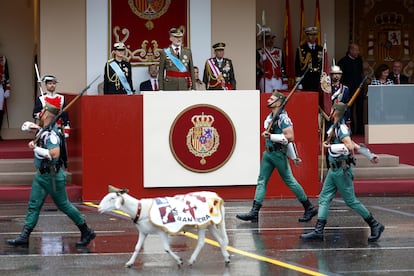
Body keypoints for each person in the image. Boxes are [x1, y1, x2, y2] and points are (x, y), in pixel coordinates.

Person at [6, 97, 96, 247]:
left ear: (48, 115)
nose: (39, 113)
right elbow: (26, 127)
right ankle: (24, 236)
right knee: (34, 204)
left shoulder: (52, 135)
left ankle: (86, 230)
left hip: (52, 176)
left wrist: (35, 148)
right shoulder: (44, 130)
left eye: (42, 112)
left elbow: (54, 154)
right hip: (41, 175)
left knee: (64, 205)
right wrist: (33, 127)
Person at [300, 102, 384, 242]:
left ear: (335, 112)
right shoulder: (336, 127)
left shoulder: (342, 128)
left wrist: (330, 145)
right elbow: (354, 144)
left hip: (341, 170)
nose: (330, 111)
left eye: (332, 109)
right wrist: (369, 155)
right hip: (334, 170)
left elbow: (349, 146)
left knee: (351, 201)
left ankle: (375, 224)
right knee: (324, 198)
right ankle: (318, 230)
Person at [236, 90, 317, 223]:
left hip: (278, 153)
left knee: (290, 181)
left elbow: (290, 136)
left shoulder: (283, 118)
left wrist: (274, 138)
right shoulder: (270, 116)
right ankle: (254, 212)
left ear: (278, 102)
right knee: (262, 180)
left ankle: (309, 207)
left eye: (271, 98)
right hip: (268, 152)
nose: (268, 100)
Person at [33, 75, 70, 143]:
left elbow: (65, 115)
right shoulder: (41, 99)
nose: (52, 85)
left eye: (54, 83)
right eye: (50, 84)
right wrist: (42, 114)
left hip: (58, 127)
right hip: (45, 127)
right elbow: (35, 114)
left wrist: (66, 127)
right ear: (46, 85)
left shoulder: (61, 98)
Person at [338, 43, 364, 135]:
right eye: (356, 50)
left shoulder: (359, 60)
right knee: (349, 110)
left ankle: (360, 130)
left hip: (359, 89)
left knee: (360, 110)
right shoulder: (343, 61)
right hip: (348, 90)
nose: (358, 52)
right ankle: (350, 129)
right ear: (351, 50)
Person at [295, 26, 323, 91]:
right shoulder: (301, 49)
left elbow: (322, 64)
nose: (313, 37)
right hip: (306, 79)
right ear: (307, 36)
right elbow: (298, 66)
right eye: (311, 35)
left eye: (315, 34)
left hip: (317, 79)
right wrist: (299, 82)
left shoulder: (320, 49)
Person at [0, 56, 11, 140]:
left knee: (0, 112)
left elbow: (6, 75)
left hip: (1, 87)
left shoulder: (2, 59)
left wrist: (7, 88)